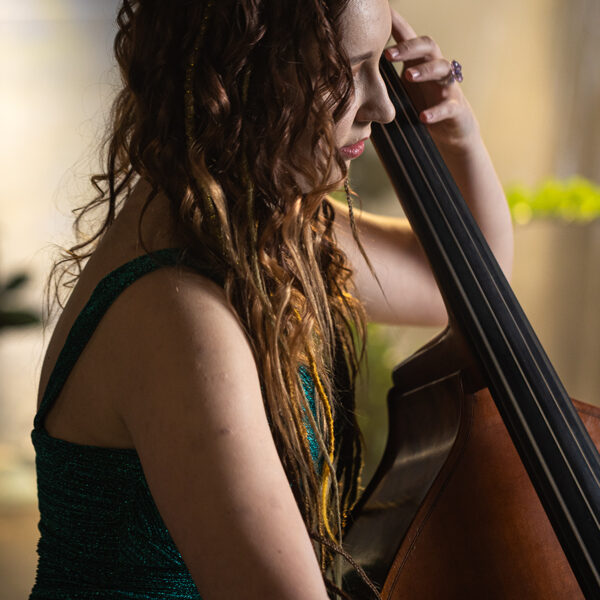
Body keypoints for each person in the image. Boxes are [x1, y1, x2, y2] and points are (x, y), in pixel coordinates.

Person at [30, 0, 513, 598]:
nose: (385, 106)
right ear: (246, 73)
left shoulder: (251, 228)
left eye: (380, 66)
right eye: (345, 72)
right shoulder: (176, 315)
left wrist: (457, 133)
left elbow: (462, 283)